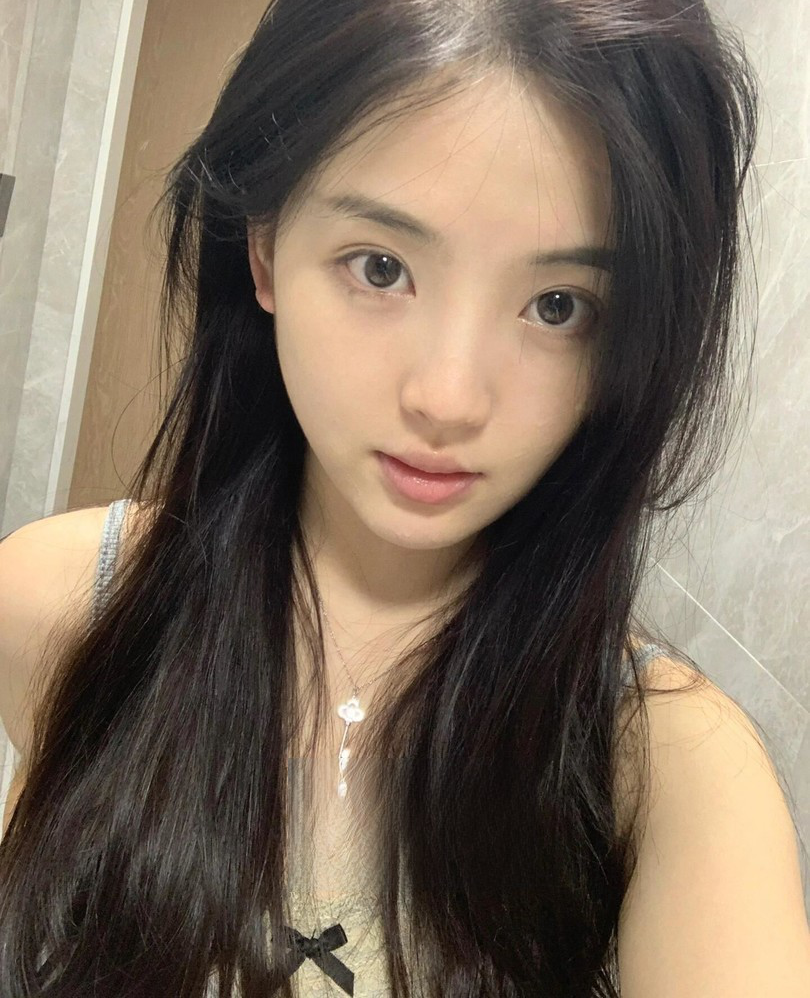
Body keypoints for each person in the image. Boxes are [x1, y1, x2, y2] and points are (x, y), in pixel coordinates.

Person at [0, 0, 807, 995]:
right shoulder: (64, 607)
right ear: (264, 249)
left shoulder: (670, 774)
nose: (449, 398)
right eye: (381, 268)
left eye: (558, 307)